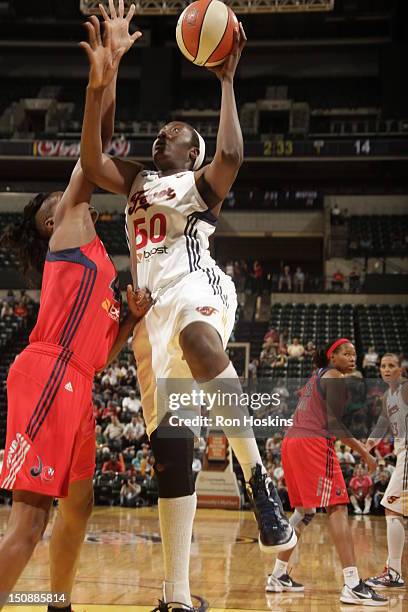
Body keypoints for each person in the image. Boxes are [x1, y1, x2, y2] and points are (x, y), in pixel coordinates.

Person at [80, 10, 296, 611]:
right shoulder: (136, 183)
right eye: (161, 131)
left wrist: (227, 81)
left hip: (197, 287)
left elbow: (229, 157)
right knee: (173, 456)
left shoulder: (195, 185)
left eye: (174, 131)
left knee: (202, 341)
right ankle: (176, 597)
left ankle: (259, 480)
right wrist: (110, 73)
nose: (162, 135)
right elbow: (94, 157)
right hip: (149, 321)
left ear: (190, 149)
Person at [0, 6, 151, 611]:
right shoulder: (68, 225)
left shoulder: (91, 257)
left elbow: (102, 354)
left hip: (78, 378)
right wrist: (103, 79)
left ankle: (57, 600)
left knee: (81, 504)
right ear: (48, 220)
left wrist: (131, 321)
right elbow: (95, 150)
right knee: (29, 523)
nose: (64, 197)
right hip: (46, 372)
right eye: (53, 200)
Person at [266, 339, 387, 605]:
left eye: (355, 354)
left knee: (305, 512)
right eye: (346, 353)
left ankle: (278, 575)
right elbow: (334, 425)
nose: (352, 357)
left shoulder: (318, 375)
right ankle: (353, 583)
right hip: (311, 442)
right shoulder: (334, 377)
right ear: (333, 357)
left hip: (291, 441)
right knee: (338, 507)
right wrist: (364, 452)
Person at [365, 353, 407, 589]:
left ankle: (394, 573)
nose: (387, 369)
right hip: (402, 453)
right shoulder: (386, 397)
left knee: (391, 509)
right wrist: (365, 447)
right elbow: (381, 426)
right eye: (383, 366)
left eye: (392, 366)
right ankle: (394, 570)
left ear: (401, 369)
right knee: (394, 511)